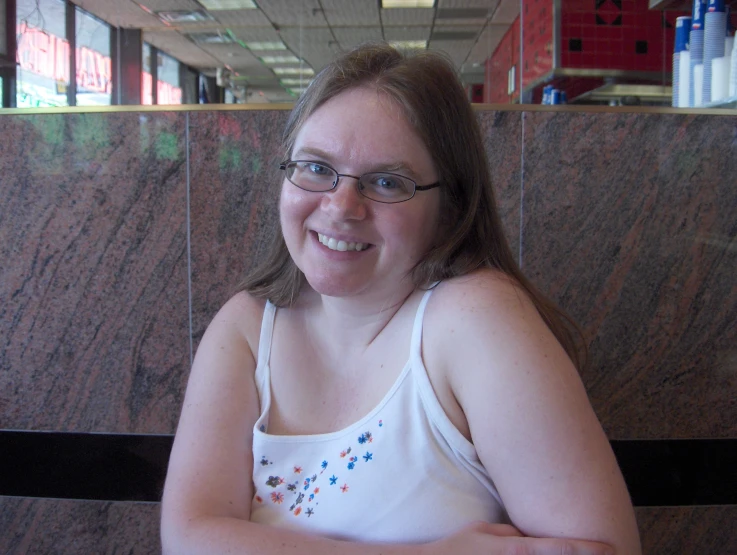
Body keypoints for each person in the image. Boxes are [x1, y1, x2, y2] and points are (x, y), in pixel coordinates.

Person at [161, 43, 641, 555]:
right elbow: (188, 538)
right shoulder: (246, 328)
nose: (342, 207)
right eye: (317, 168)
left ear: (450, 207)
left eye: (388, 182)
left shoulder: (475, 320)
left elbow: (597, 550)